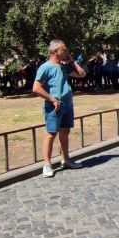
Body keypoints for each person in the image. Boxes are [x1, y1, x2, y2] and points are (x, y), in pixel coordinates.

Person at [32, 40, 87, 178]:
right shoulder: (45, 67)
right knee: (51, 134)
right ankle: (47, 164)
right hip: (54, 106)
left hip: (67, 105)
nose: (67, 52)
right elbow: (36, 88)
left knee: (65, 132)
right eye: (65, 50)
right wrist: (52, 99)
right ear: (56, 51)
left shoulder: (63, 67)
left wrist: (72, 61)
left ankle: (66, 160)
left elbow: (81, 74)